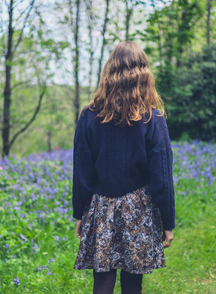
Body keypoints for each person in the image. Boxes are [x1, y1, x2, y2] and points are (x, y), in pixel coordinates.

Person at [72, 41, 175, 294]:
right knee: (132, 282)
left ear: (110, 71)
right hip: (138, 209)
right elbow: (162, 176)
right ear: (144, 74)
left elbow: (82, 171)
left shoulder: (89, 115)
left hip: (101, 206)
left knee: (103, 278)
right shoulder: (153, 118)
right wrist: (168, 221)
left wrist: (80, 213)